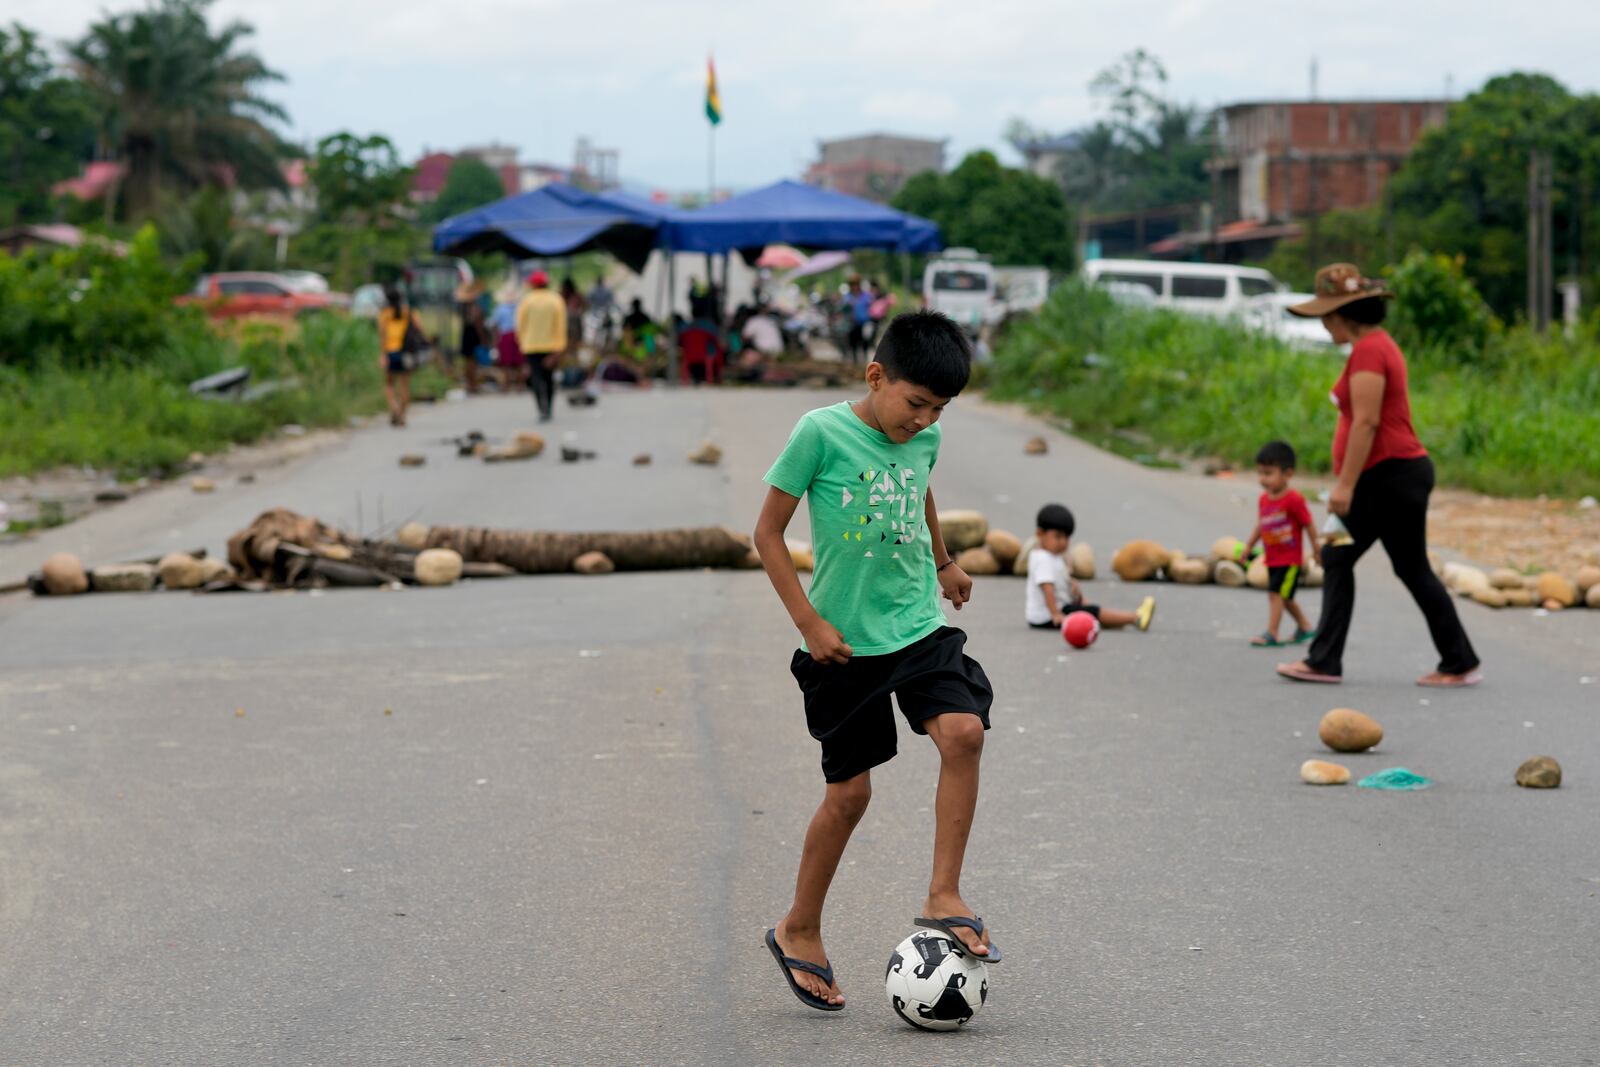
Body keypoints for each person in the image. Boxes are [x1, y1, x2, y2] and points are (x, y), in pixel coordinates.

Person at [753, 310, 997, 1013]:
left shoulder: (926, 437)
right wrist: (809, 620)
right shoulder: (819, 433)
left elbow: (917, 485)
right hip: (844, 645)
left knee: (964, 732)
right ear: (876, 376)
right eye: (914, 403)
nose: (922, 421)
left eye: (938, 410)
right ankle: (798, 926)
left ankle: (943, 891)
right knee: (850, 795)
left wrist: (944, 559)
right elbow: (767, 533)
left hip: (917, 623)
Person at [1276, 264, 1482, 688]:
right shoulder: (1374, 346)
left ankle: (1324, 660)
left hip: (1387, 475)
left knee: (1339, 556)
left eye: (1325, 317)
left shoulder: (1370, 351)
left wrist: (1344, 486)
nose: (1323, 325)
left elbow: (1367, 423)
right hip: (1395, 475)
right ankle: (1458, 661)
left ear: (1341, 314)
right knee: (1407, 566)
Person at [1025, 503, 1155, 632]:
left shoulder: (1051, 556)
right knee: (1092, 611)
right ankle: (1135, 618)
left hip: (1054, 610)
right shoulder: (1043, 560)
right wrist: (1056, 614)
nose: (1063, 542)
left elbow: (1057, 578)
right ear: (1040, 534)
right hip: (1046, 617)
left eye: (1067, 537)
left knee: (1086, 607)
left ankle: (1112, 620)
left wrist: (1071, 583)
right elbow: (1047, 589)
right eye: (1058, 537)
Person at [1241, 441, 1319, 647]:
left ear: (1288, 474)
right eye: (1260, 473)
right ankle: (1305, 627)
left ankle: (1272, 633)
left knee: (1276, 595)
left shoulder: (1294, 500)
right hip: (1272, 558)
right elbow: (1261, 525)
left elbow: (1309, 525)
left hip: (1290, 559)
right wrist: (1249, 546)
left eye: (1268, 473)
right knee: (1285, 597)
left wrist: (1317, 551)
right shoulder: (1264, 500)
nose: (1263, 479)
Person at [516, 270, 567, 421]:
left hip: (531, 346)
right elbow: (560, 326)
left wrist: (522, 343)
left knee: (536, 378)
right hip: (551, 346)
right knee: (549, 378)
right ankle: (549, 409)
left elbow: (520, 325)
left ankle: (541, 408)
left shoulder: (526, 301)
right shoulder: (556, 300)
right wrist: (558, 350)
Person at [376, 286, 423, 427]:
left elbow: (383, 336)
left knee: (389, 384)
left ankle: (395, 409)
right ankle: (401, 415)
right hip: (406, 352)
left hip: (391, 352)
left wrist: (383, 354)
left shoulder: (384, 314)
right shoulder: (408, 312)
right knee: (405, 386)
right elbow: (420, 329)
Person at [455, 279, 490, 394]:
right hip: (473, 336)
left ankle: (470, 384)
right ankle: (473, 384)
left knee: (468, 361)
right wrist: (483, 338)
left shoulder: (464, 308)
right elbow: (478, 325)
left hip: (466, 335)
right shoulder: (475, 308)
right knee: (472, 362)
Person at [842, 276, 872, 363]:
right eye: (852, 285)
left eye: (856, 284)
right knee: (853, 343)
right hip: (852, 323)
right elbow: (844, 309)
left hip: (863, 322)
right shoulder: (847, 297)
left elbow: (870, 306)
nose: (854, 287)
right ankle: (855, 361)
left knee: (864, 341)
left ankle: (864, 359)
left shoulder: (865, 296)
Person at [560, 277, 587, 359]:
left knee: (574, 345)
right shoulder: (561, 296)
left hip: (574, 325)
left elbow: (585, 306)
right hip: (565, 326)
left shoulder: (576, 296)